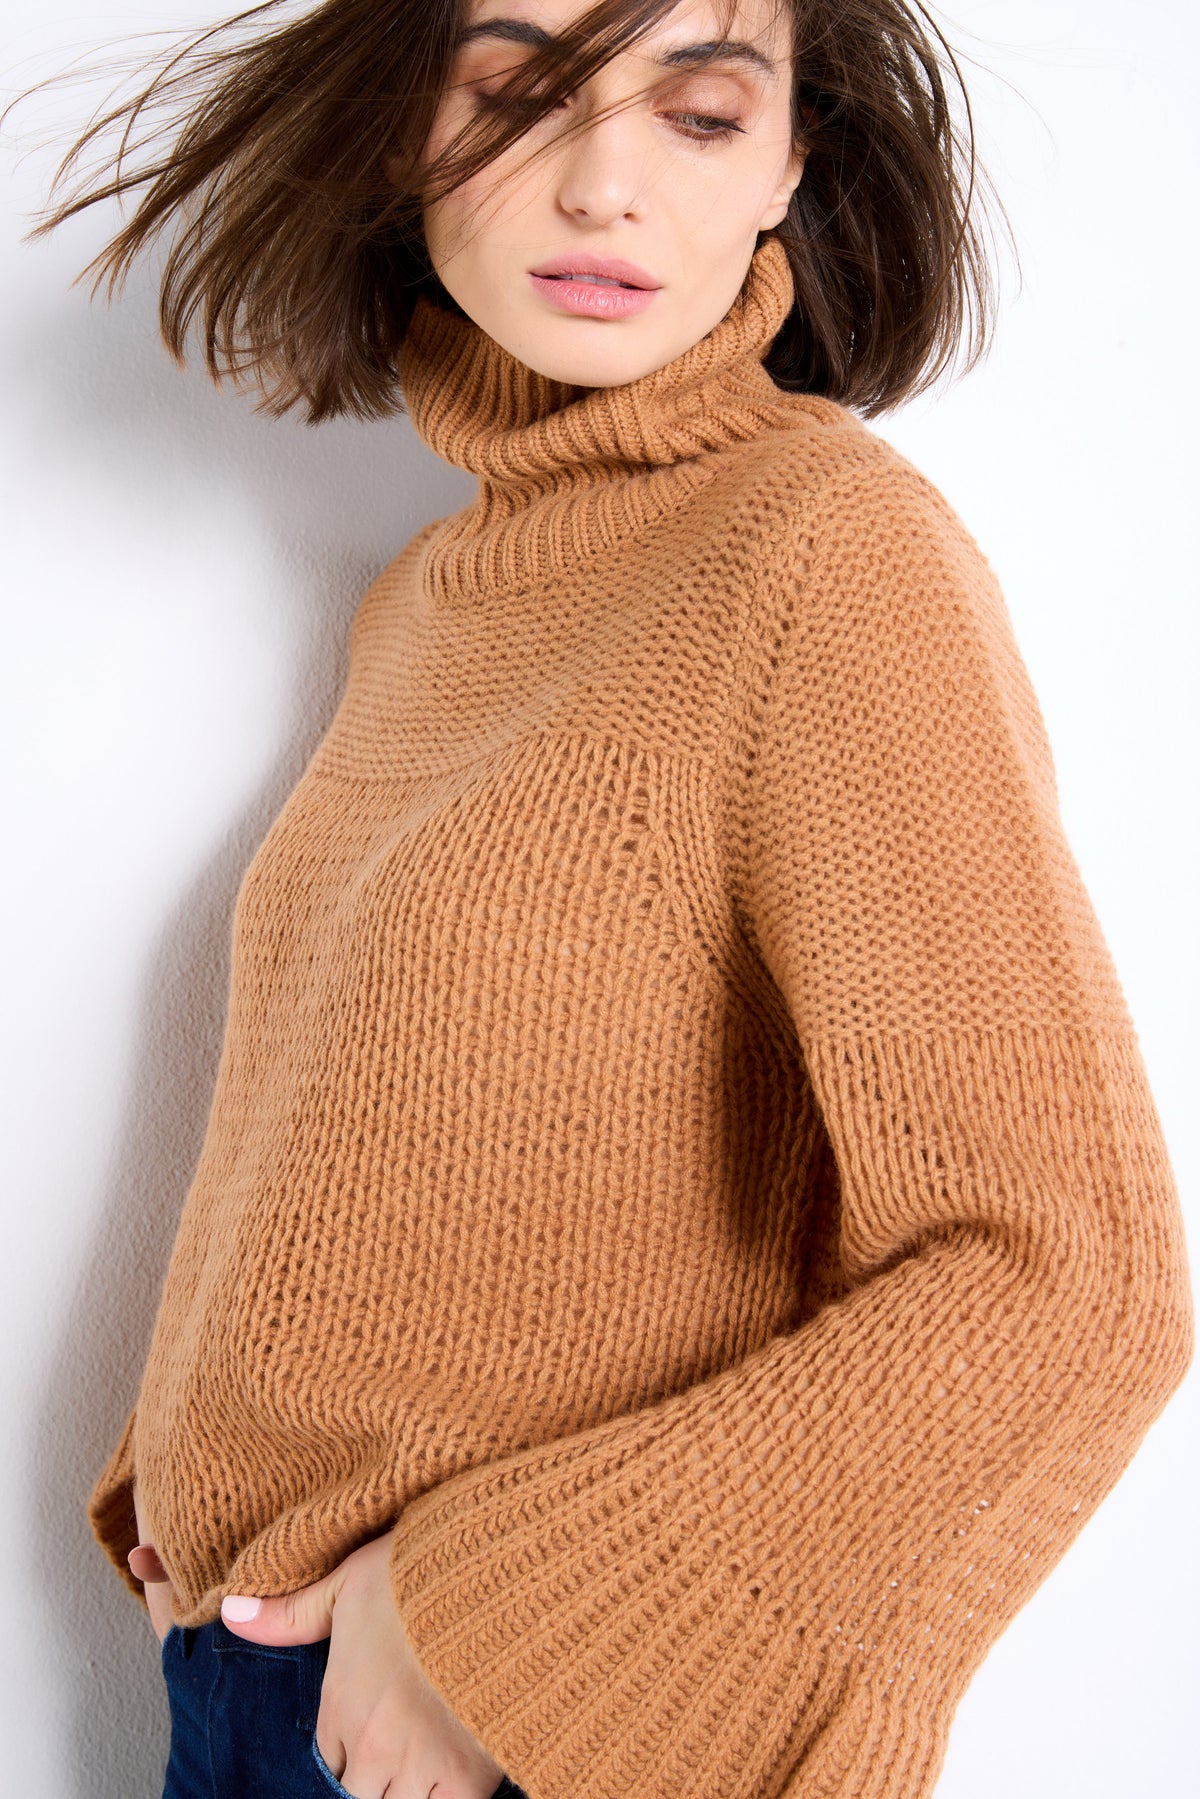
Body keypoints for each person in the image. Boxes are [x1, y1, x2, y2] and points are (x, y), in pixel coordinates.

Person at [17, 0, 1194, 1793]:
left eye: (701, 115)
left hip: (524, 1721)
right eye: (515, 95)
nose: (603, 185)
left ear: (789, 164)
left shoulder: (820, 554)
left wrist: (499, 1634)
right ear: (402, 132)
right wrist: (204, 1479)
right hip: (260, 1683)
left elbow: (1068, 1279)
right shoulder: (434, 593)